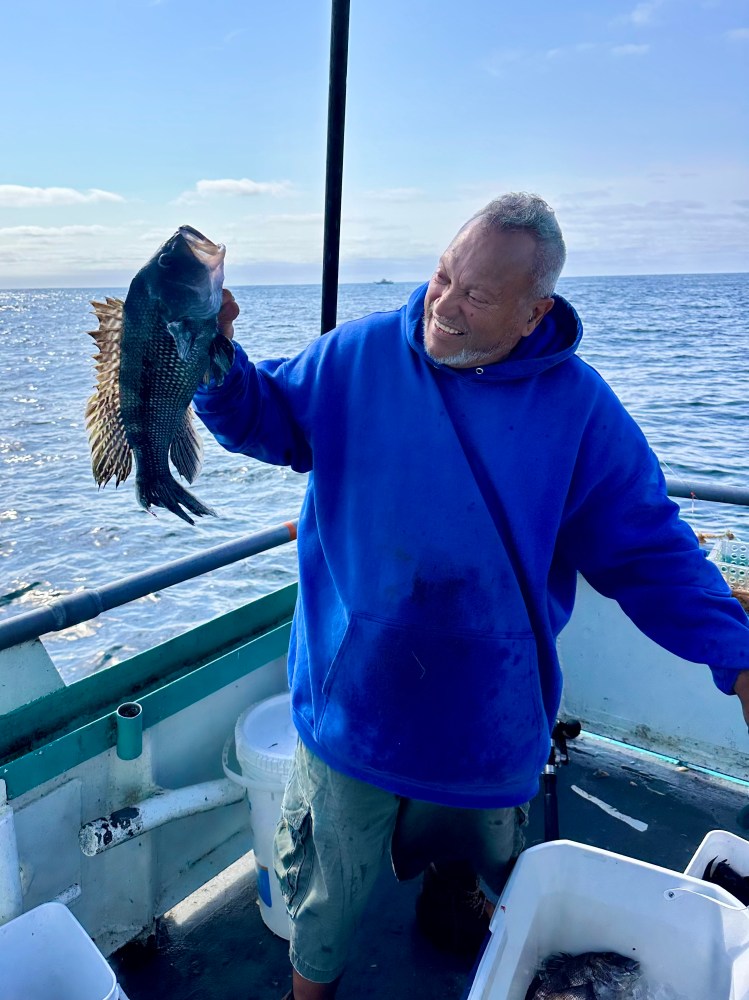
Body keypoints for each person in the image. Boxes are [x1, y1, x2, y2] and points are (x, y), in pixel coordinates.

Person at [193, 193, 749, 1000]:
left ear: (533, 314)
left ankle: (456, 903)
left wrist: (735, 657)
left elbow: (648, 549)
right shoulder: (359, 356)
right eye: (441, 276)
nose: (443, 306)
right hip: (357, 711)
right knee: (325, 900)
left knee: (486, 875)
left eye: (477, 295)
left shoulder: (579, 409)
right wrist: (211, 353)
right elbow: (264, 418)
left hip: (489, 721)